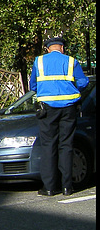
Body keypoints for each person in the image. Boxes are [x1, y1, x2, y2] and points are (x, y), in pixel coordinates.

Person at [30, 36, 89, 196]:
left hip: (47, 109)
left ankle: (49, 187)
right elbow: (83, 82)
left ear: (48, 48)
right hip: (69, 108)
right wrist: (71, 89)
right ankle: (67, 187)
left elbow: (33, 85)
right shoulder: (71, 61)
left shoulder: (39, 62)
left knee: (49, 146)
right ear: (62, 48)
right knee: (66, 145)